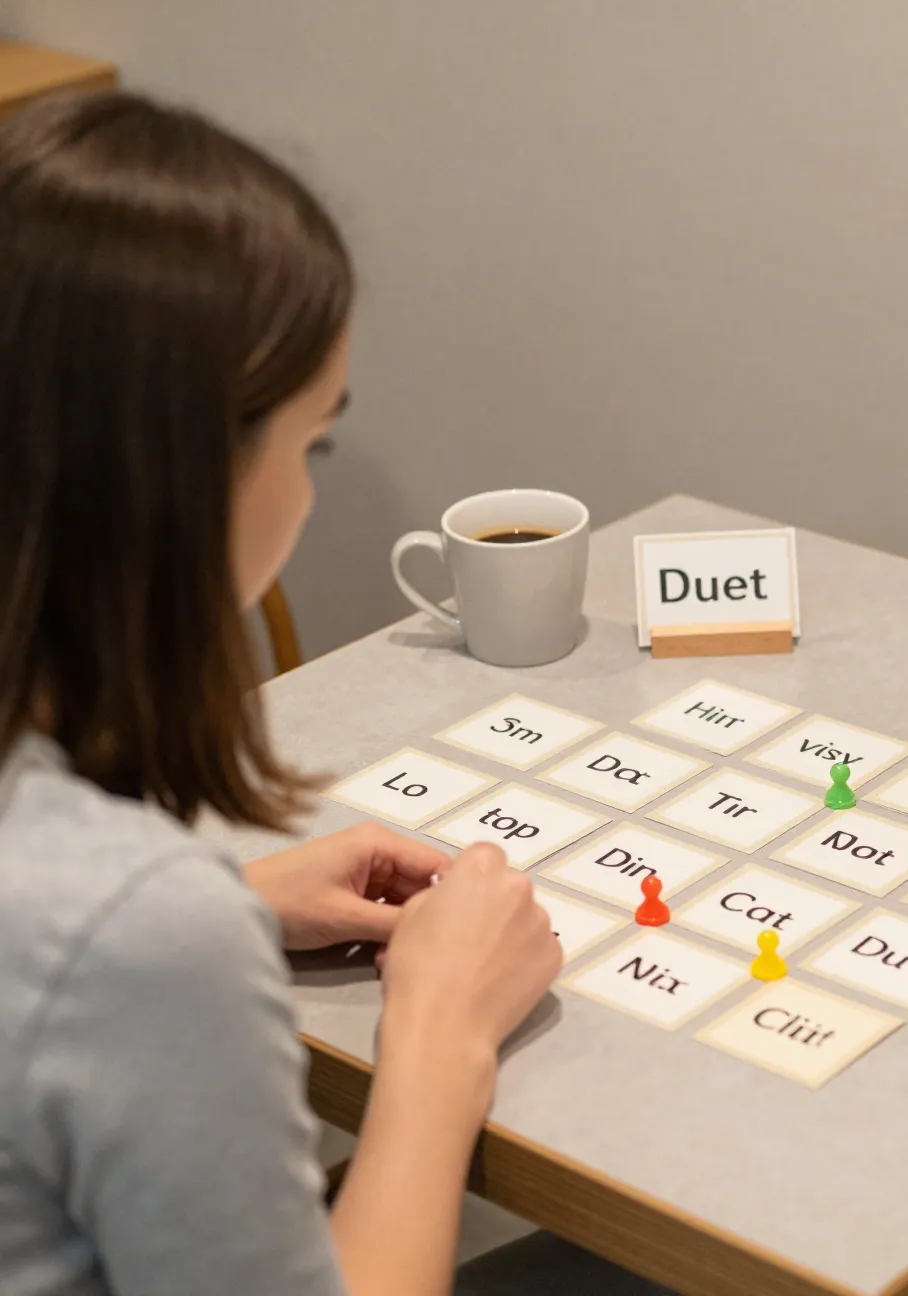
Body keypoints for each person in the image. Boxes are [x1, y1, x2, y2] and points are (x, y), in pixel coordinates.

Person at [0, 92, 570, 1295]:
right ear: (184, 479)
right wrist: (439, 1035)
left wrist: (227, 902)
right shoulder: (135, 934)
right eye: (311, 446)